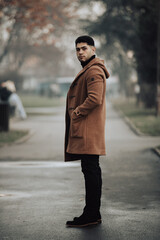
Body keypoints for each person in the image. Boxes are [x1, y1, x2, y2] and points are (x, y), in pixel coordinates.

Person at [65, 35, 110, 227]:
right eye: (77, 49)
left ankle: (91, 214)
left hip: (88, 130)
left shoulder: (93, 71)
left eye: (84, 48)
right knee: (90, 170)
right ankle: (91, 212)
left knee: (91, 171)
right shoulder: (89, 69)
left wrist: (77, 112)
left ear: (93, 49)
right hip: (86, 129)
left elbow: (94, 98)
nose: (80, 52)